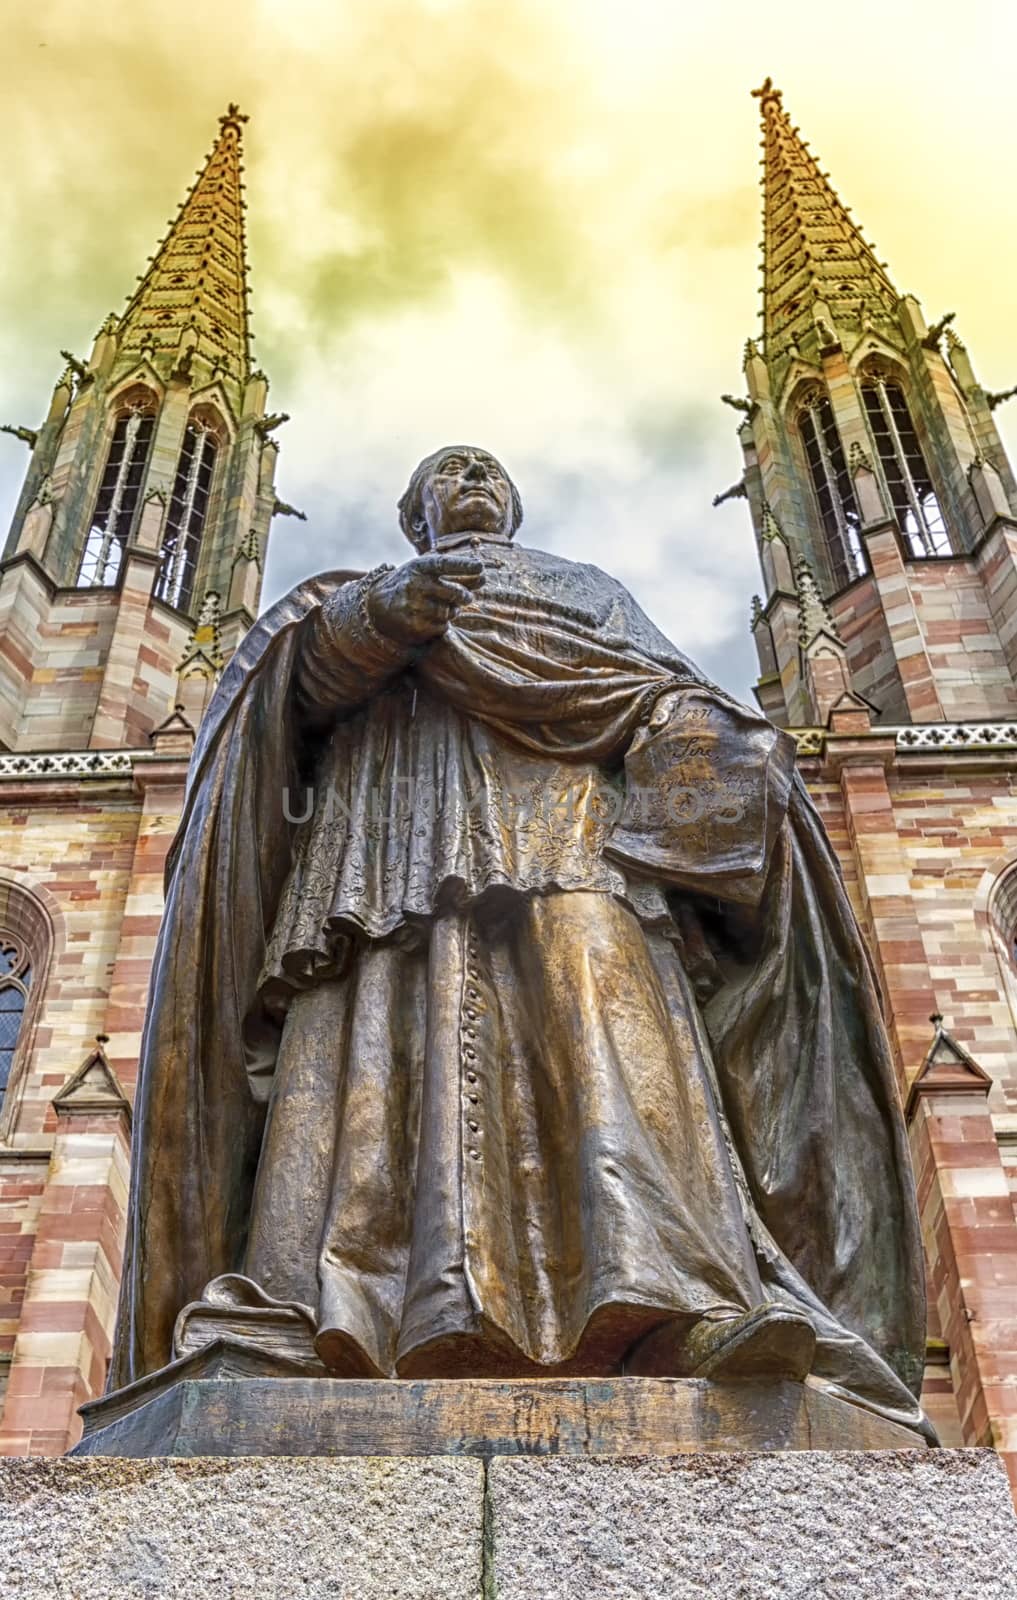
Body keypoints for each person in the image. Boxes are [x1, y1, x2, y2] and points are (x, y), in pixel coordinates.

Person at [110, 446, 933, 1442]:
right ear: (417, 515)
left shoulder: (587, 591)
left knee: (616, 1049)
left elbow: (657, 686)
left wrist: (695, 733)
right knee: (364, 1069)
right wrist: (374, 620)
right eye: (447, 472)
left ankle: (686, 1302)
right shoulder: (361, 592)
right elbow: (285, 692)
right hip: (387, 852)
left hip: (574, 839)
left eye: (487, 471)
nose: (471, 480)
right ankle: (313, 1307)